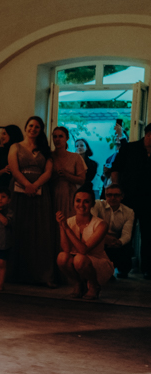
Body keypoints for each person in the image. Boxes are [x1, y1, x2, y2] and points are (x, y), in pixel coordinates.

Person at [8, 116, 58, 287]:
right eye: (31, 126)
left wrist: (35, 185)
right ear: (25, 127)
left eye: (37, 127)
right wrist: (26, 185)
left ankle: (42, 274)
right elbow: (14, 169)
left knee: (40, 231)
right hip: (18, 191)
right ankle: (16, 273)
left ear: (41, 130)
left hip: (40, 192)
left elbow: (48, 172)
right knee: (18, 228)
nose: (33, 129)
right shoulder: (15, 147)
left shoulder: (45, 149)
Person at [56, 187, 112, 299]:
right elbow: (66, 249)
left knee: (79, 259)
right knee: (62, 257)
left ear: (92, 204)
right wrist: (61, 226)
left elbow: (84, 250)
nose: (81, 205)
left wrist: (66, 228)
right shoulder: (69, 221)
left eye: (86, 201)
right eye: (78, 201)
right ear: (73, 203)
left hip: (97, 262)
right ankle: (78, 283)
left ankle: (94, 285)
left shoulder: (101, 225)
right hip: (78, 261)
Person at [111, 125, 151, 280]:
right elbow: (116, 168)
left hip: (149, 200)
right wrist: (117, 189)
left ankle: (148, 269)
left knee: (148, 234)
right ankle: (122, 267)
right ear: (147, 135)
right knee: (126, 233)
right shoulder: (130, 148)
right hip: (129, 197)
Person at [92, 184, 135, 279]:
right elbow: (92, 225)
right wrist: (105, 238)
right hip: (101, 241)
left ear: (122, 196)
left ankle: (119, 269)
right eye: (109, 195)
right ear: (105, 195)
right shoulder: (97, 205)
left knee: (126, 260)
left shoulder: (129, 212)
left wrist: (119, 242)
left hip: (116, 243)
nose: (112, 198)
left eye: (116, 195)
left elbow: (127, 234)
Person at [51, 126, 87, 219]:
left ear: (67, 138)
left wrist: (67, 175)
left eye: (60, 136)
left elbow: (82, 180)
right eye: (55, 136)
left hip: (69, 195)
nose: (57, 139)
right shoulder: (49, 156)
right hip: (51, 194)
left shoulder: (75, 157)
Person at [0, 125, 24, 194]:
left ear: (12, 135)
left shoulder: (22, 150)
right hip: (4, 186)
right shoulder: (0, 151)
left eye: (4, 134)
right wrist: (4, 170)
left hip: (20, 184)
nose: (1, 137)